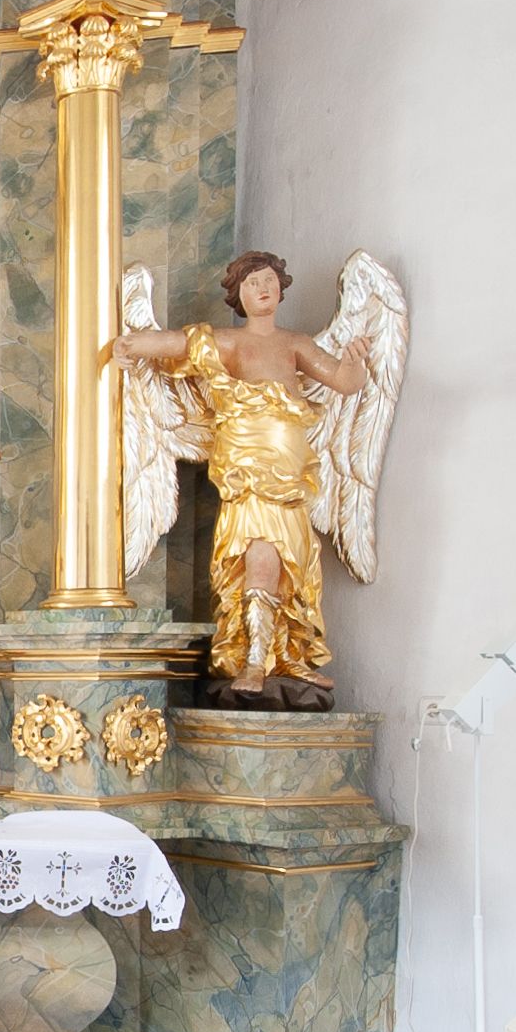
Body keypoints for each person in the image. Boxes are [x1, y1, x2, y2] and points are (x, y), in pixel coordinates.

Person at [113, 249, 369, 702]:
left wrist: (355, 363)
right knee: (260, 563)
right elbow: (177, 344)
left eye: (268, 280)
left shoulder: (295, 344)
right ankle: (253, 661)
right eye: (252, 283)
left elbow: (345, 383)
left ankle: (289, 658)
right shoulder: (229, 342)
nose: (262, 288)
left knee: (292, 570)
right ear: (238, 294)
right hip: (249, 480)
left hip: (289, 481)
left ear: (281, 287)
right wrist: (131, 344)